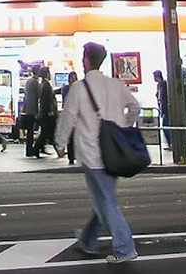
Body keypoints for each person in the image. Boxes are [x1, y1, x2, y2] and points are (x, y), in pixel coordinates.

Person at [57, 42, 140, 263]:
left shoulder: (79, 88)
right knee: (104, 198)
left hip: (92, 153)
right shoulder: (116, 85)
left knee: (106, 202)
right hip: (114, 153)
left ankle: (125, 248)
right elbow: (135, 108)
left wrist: (60, 143)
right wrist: (124, 125)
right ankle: (88, 240)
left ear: (85, 61)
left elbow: (68, 118)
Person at [37, 64, 62, 159]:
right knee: (50, 132)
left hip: (44, 113)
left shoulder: (43, 84)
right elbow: (47, 100)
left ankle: (36, 149)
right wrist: (50, 111)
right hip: (47, 113)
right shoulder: (46, 85)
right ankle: (59, 150)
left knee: (45, 133)